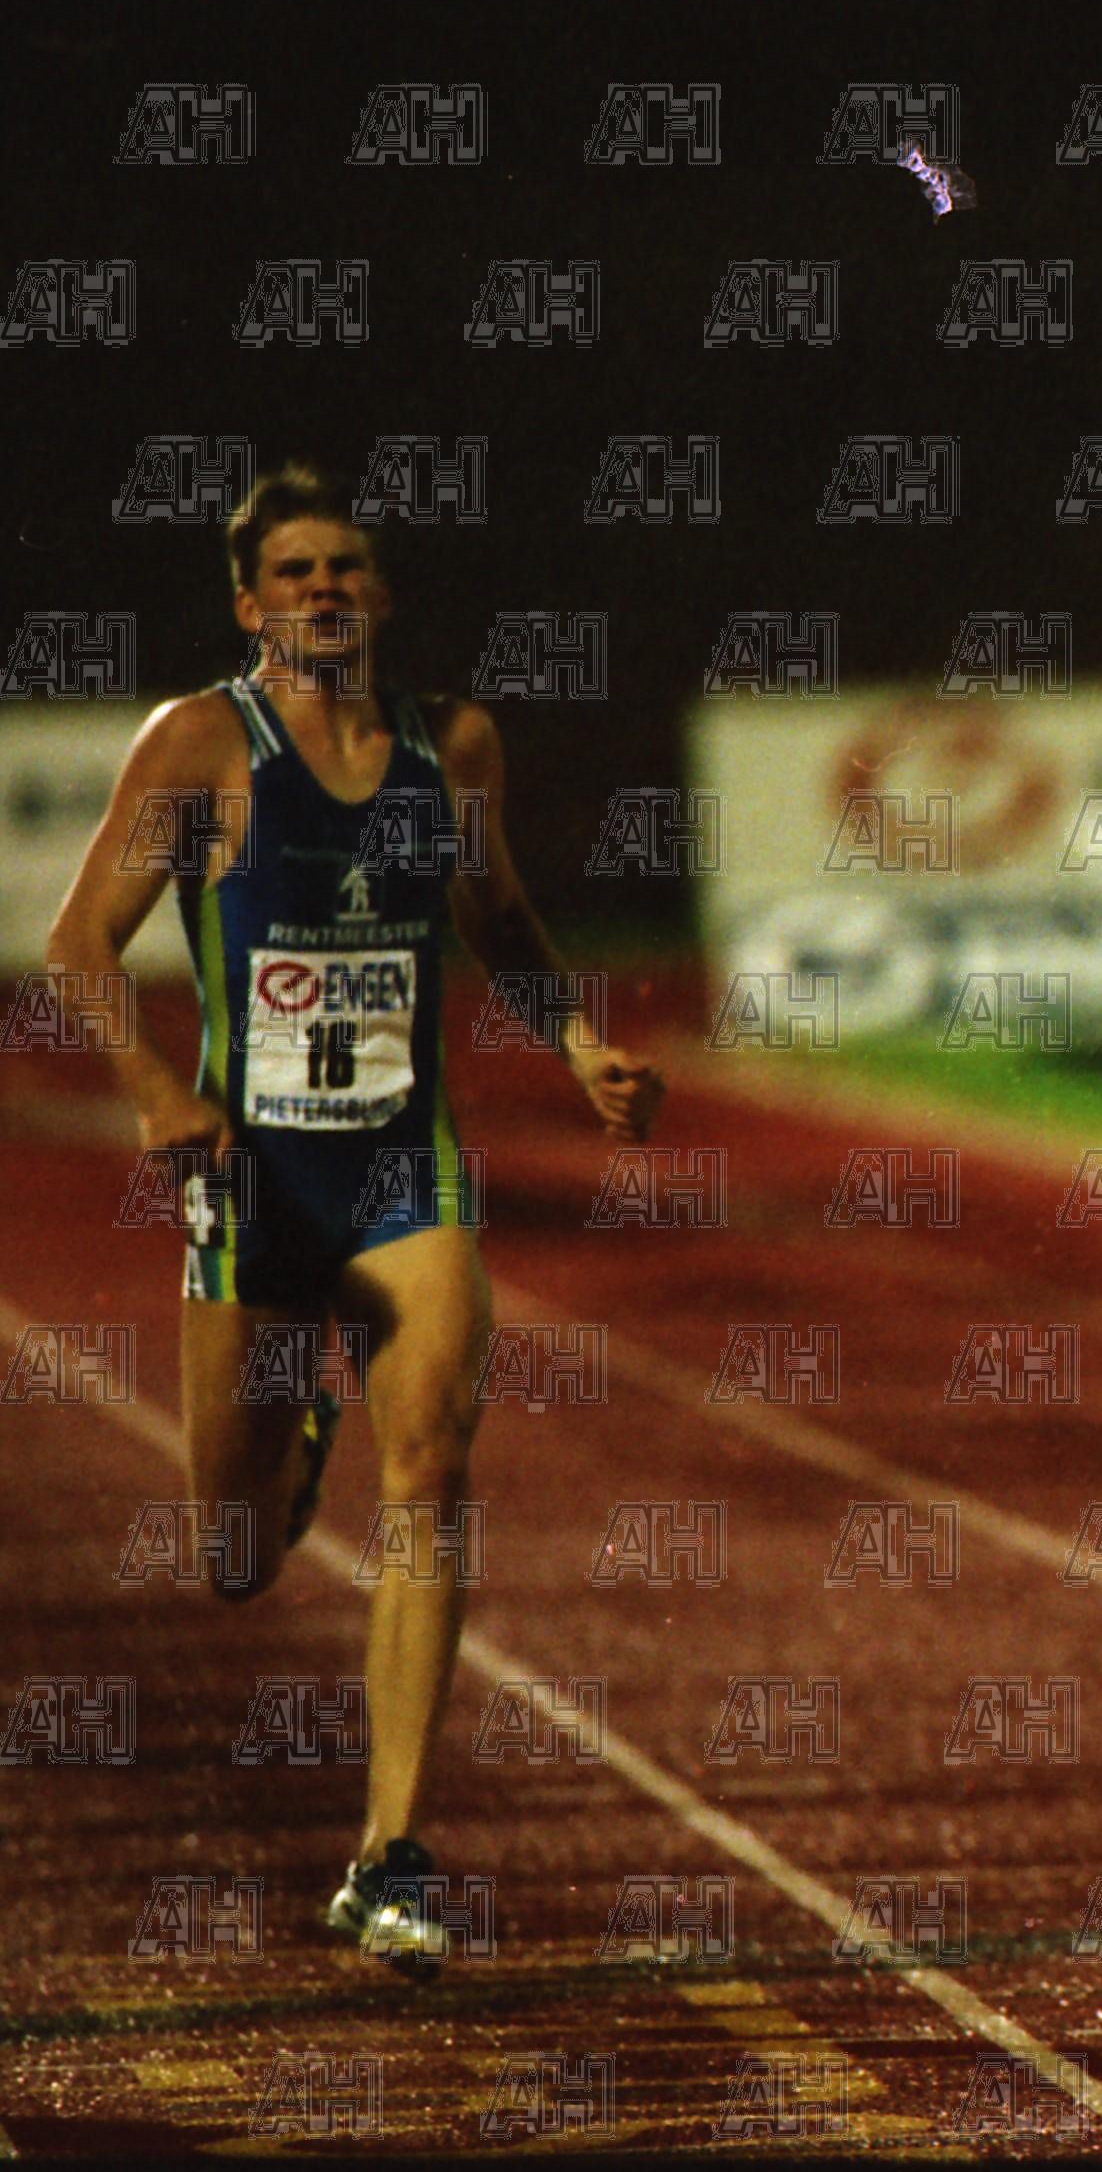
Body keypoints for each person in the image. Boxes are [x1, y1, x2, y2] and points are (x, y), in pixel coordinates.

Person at [42, 466, 663, 1980]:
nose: (323, 589)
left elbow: (495, 915)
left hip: (400, 1170)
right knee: (237, 1554)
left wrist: (577, 1043)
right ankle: (298, 1432)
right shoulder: (201, 744)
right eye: (294, 571)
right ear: (248, 604)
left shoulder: (455, 746)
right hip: (255, 1182)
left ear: (379, 594)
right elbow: (77, 945)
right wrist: (153, 1091)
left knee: (435, 1470)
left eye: (346, 567)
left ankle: (392, 1852)